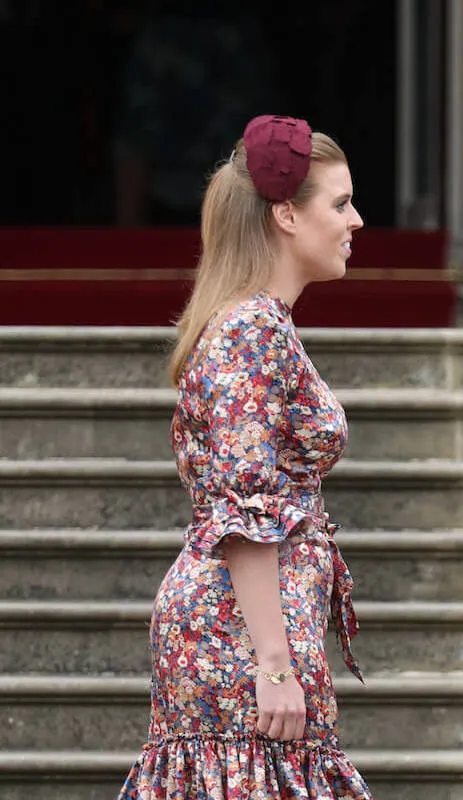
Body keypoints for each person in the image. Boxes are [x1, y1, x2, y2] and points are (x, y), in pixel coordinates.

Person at [117, 115, 371, 798]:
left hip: (251, 623)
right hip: (236, 629)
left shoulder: (263, 327)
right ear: (286, 215)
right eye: (341, 203)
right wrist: (275, 662)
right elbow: (244, 502)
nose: (358, 221)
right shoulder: (251, 330)